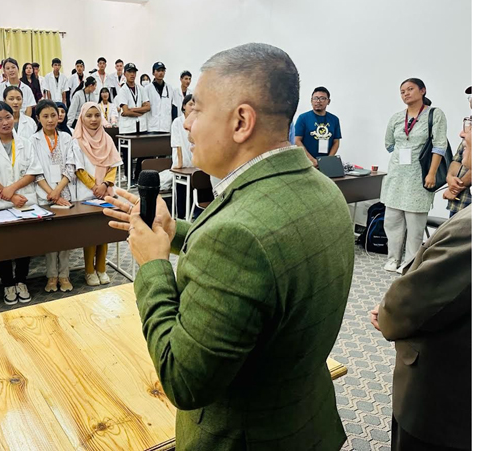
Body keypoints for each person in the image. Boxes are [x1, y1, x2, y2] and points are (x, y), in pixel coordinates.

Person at [103, 43, 353, 451]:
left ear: (241, 121)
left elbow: (183, 380)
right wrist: (173, 229)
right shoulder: (324, 189)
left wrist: (152, 265)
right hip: (304, 419)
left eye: (196, 109)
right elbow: (265, 256)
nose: (186, 124)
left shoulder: (238, 237)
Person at [369, 121, 471, 451]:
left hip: (441, 402)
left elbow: (412, 304)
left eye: (473, 125)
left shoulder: (472, 230)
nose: (463, 133)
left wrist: (388, 313)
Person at [381, 78, 447, 273]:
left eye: (410, 89)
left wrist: (432, 173)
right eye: (402, 91)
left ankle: (410, 262)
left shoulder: (435, 115)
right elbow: (389, 144)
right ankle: (393, 258)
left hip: (420, 176)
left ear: (422, 91)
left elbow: (439, 145)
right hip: (396, 175)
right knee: (392, 221)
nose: (406, 94)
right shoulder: (396, 118)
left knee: (415, 224)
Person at [0, 101, 43, 304]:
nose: (5, 122)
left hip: (24, 201)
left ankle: (21, 281)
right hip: (0, 203)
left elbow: (33, 171)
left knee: (22, 245)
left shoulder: (25, 143)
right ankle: (7, 284)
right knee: (3, 246)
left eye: (8, 117)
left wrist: (13, 190)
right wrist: (9, 194)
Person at [30, 100, 80, 293]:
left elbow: (71, 166)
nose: (50, 120)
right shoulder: (33, 140)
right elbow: (35, 170)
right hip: (44, 195)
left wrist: (58, 191)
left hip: (65, 194)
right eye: (45, 116)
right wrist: (51, 193)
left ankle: (64, 274)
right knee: (50, 238)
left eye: (53, 115)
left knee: (65, 237)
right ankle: (51, 275)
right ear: (38, 118)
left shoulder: (67, 137)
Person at [72, 102, 121, 286]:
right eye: (89, 116)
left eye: (97, 115)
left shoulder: (107, 139)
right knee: (90, 234)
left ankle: (101, 268)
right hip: (87, 193)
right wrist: (95, 187)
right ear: (82, 118)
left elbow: (113, 165)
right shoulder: (77, 140)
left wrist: (105, 184)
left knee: (104, 231)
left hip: (105, 192)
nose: (93, 120)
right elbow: (78, 169)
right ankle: (89, 270)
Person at [115, 63, 151, 182]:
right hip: (128, 128)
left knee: (144, 152)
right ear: (125, 74)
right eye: (130, 72)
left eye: (134, 72)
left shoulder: (141, 88)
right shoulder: (123, 90)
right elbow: (125, 111)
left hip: (141, 127)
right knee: (127, 155)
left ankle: (137, 176)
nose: (132, 74)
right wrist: (140, 111)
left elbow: (147, 107)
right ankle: (129, 177)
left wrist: (133, 109)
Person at [162, 94, 196, 219]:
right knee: (181, 191)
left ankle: (193, 215)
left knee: (194, 189)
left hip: (194, 163)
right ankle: (181, 217)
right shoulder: (177, 122)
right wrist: (180, 164)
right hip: (181, 163)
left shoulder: (198, 121)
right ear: (183, 106)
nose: (193, 107)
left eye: (194, 104)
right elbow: (177, 144)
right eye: (190, 104)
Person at [294, 87, 342, 167]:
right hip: (306, 162)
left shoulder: (334, 119)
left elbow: (336, 142)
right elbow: (297, 141)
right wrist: (311, 160)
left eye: (322, 98)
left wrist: (328, 160)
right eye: (315, 98)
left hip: (326, 164)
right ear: (311, 101)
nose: (318, 101)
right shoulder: (303, 118)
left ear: (328, 101)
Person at [443, 86, 472, 217]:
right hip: (459, 201)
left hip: (468, 199)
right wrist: (449, 178)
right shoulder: (469, 123)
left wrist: (454, 190)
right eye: (470, 97)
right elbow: (457, 159)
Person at [145, 62, 178, 133]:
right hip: (152, 127)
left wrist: (174, 125)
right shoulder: (147, 89)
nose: (161, 73)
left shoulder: (170, 88)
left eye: (162, 71)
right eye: (158, 70)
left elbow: (174, 108)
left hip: (166, 127)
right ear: (153, 73)